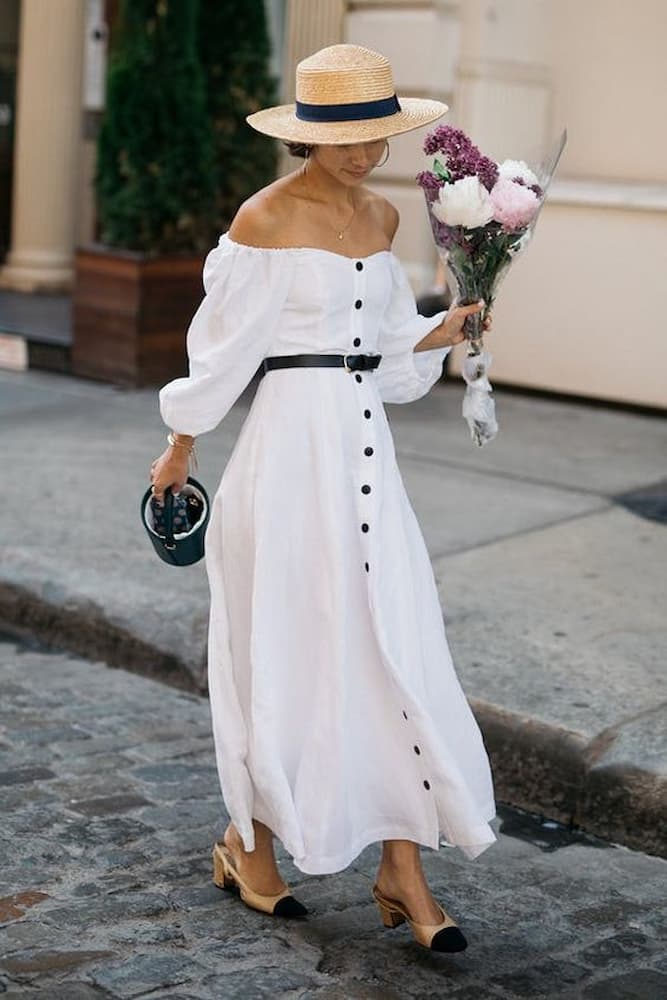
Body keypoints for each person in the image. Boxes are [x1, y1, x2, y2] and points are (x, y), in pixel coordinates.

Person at [151, 44, 496, 953]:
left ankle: (401, 865)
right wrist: (179, 452)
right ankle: (248, 844)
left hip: (365, 454)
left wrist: (444, 328)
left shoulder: (383, 217)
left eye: (376, 134)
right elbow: (220, 354)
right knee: (283, 648)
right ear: (307, 136)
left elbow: (383, 355)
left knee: (391, 648)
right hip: (286, 453)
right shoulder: (264, 217)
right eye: (344, 136)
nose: (364, 152)